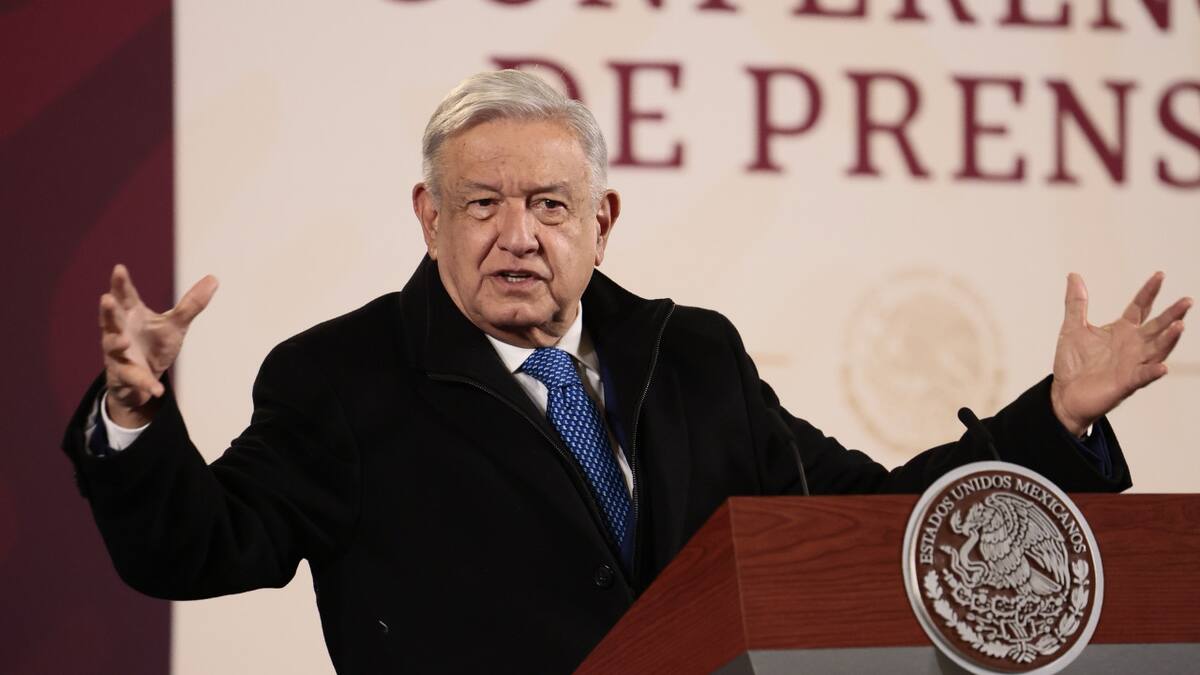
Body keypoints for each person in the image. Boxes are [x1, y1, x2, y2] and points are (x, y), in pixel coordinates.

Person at [63, 70, 1190, 674]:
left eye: (549, 205)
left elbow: (860, 518)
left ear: (601, 221)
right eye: (482, 203)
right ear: (428, 218)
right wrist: (133, 415)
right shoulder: (340, 377)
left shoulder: (688, 353)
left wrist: (1053, 420)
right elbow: (205, 547)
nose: (517, 234)